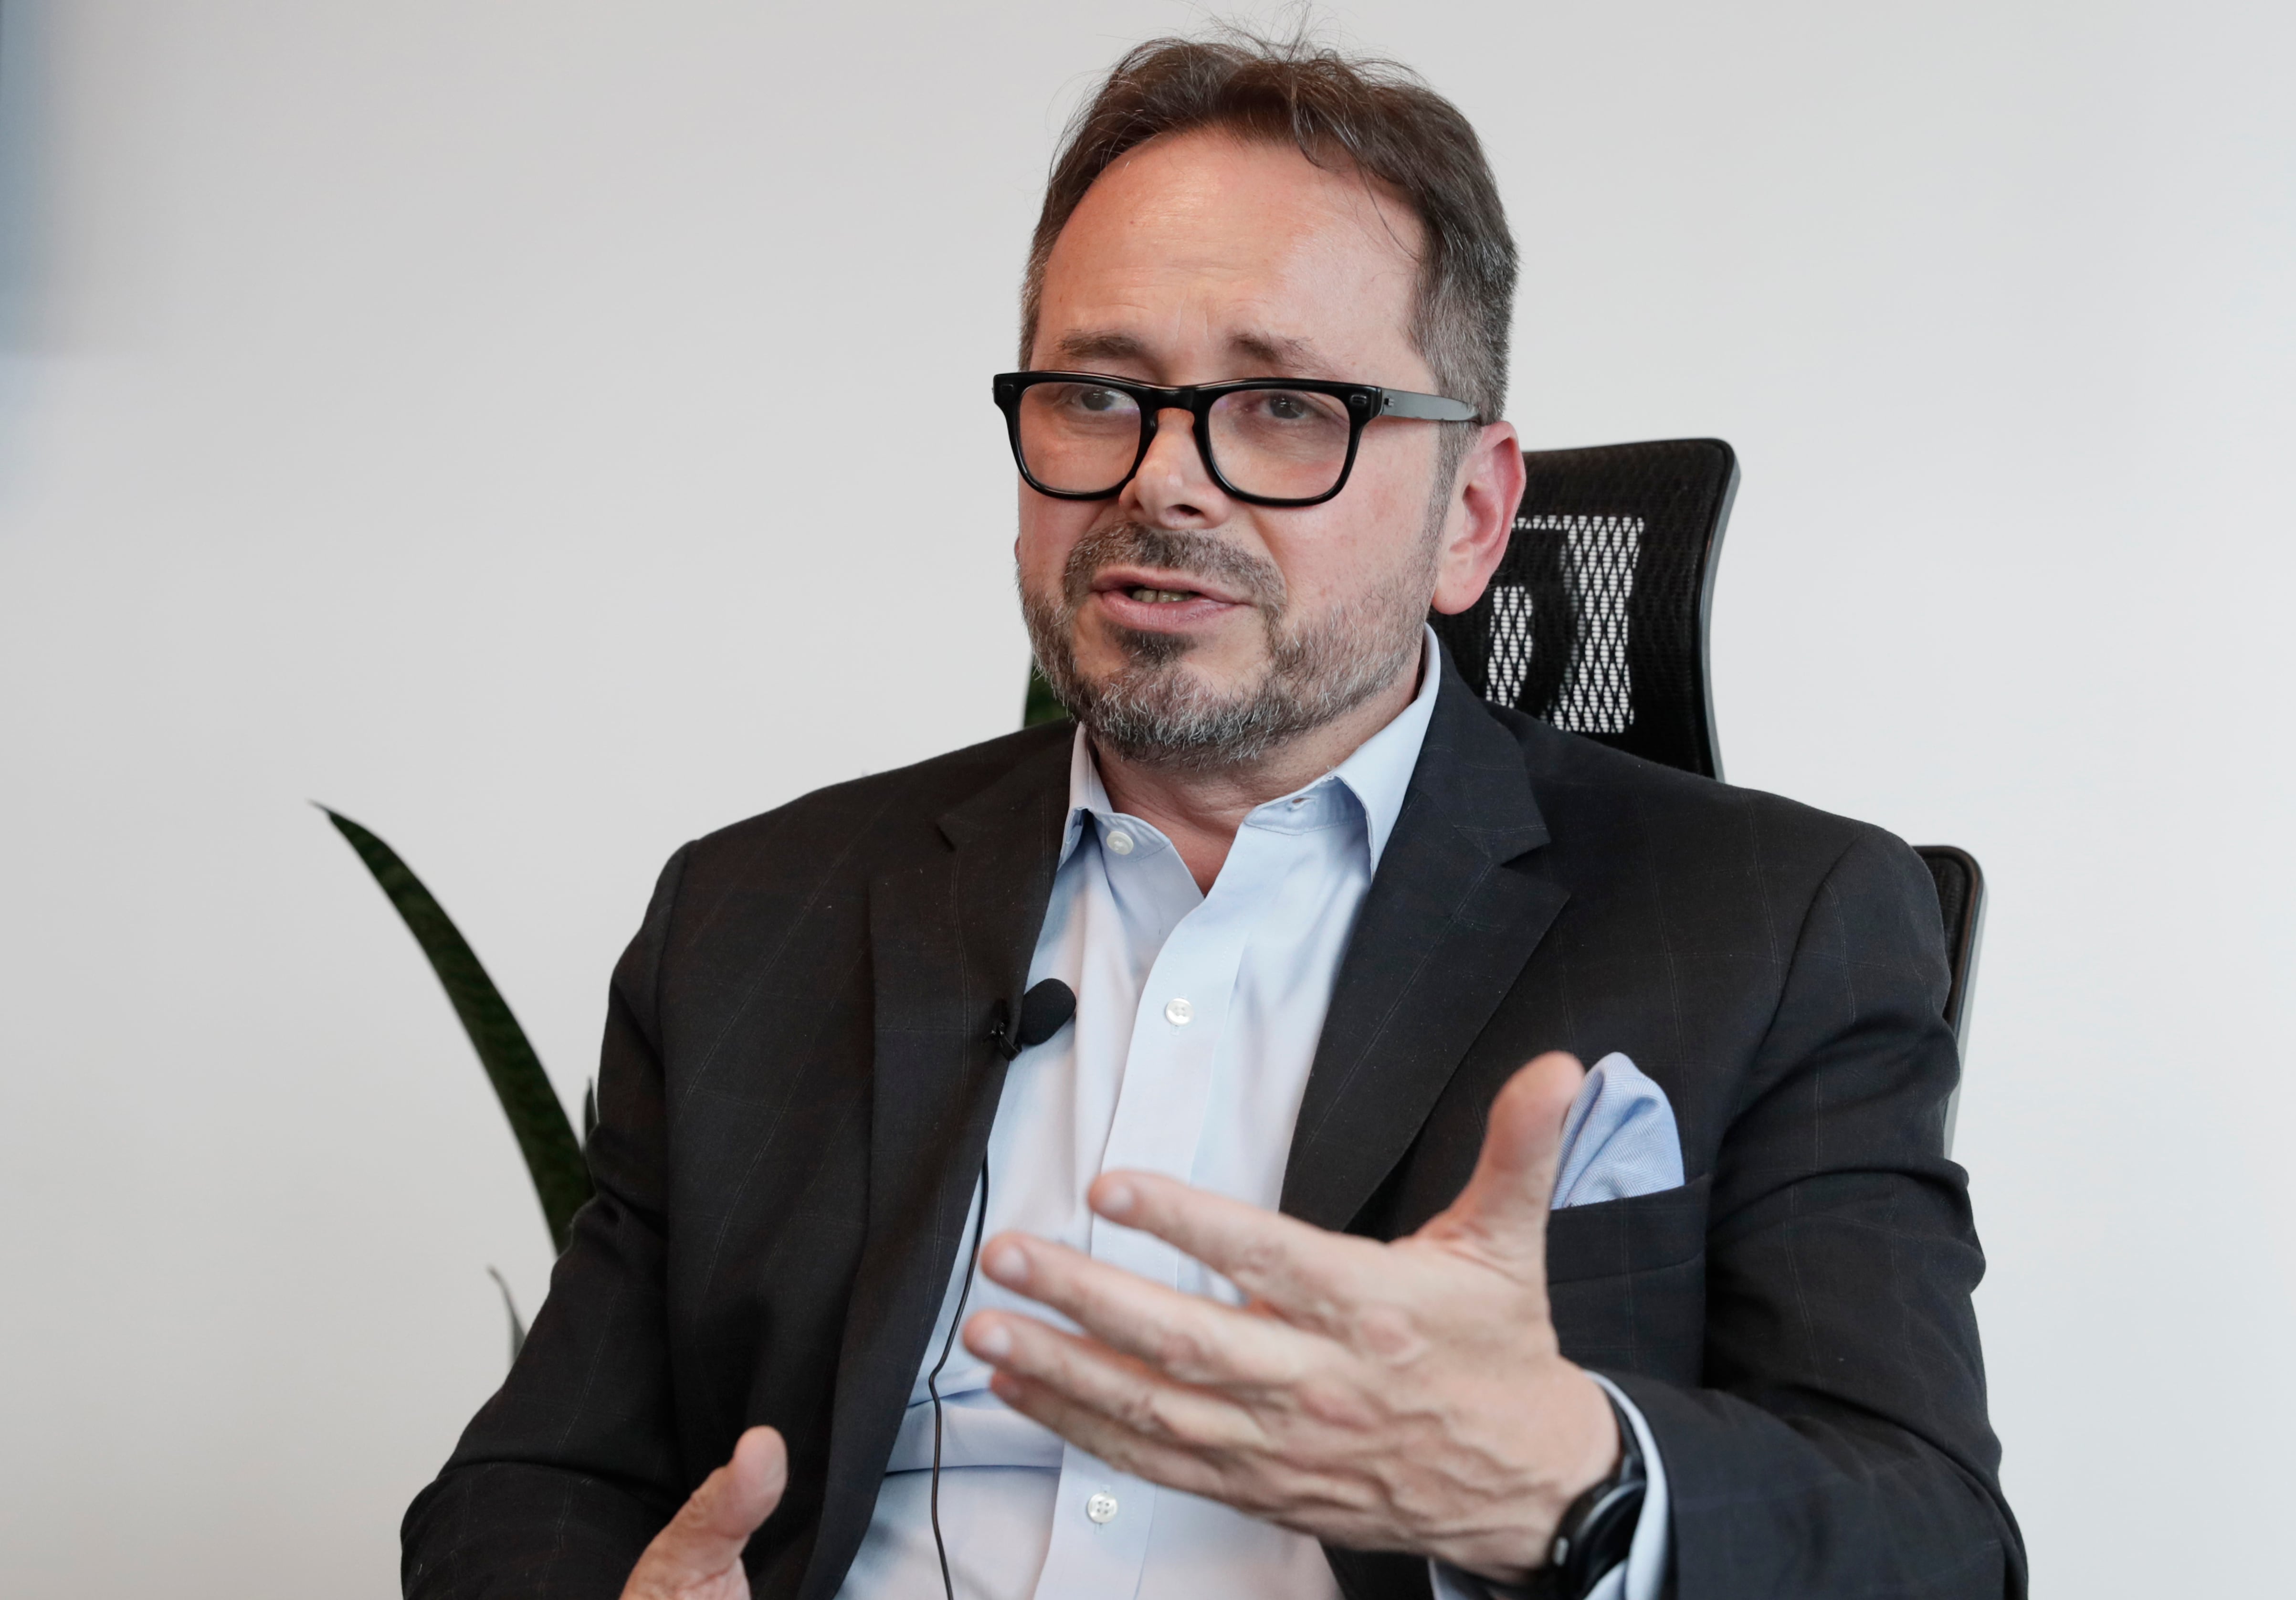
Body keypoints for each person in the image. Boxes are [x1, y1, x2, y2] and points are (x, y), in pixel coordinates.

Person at [400, 29, 2022, 1600]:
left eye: (1285, 406)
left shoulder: (1779, 927)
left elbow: (1933, 1544)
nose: (1160, 481)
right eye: (1097, 396)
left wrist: (1566, 1484)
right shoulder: (758, 915)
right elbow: (533, 1485)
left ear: (1472, 514)